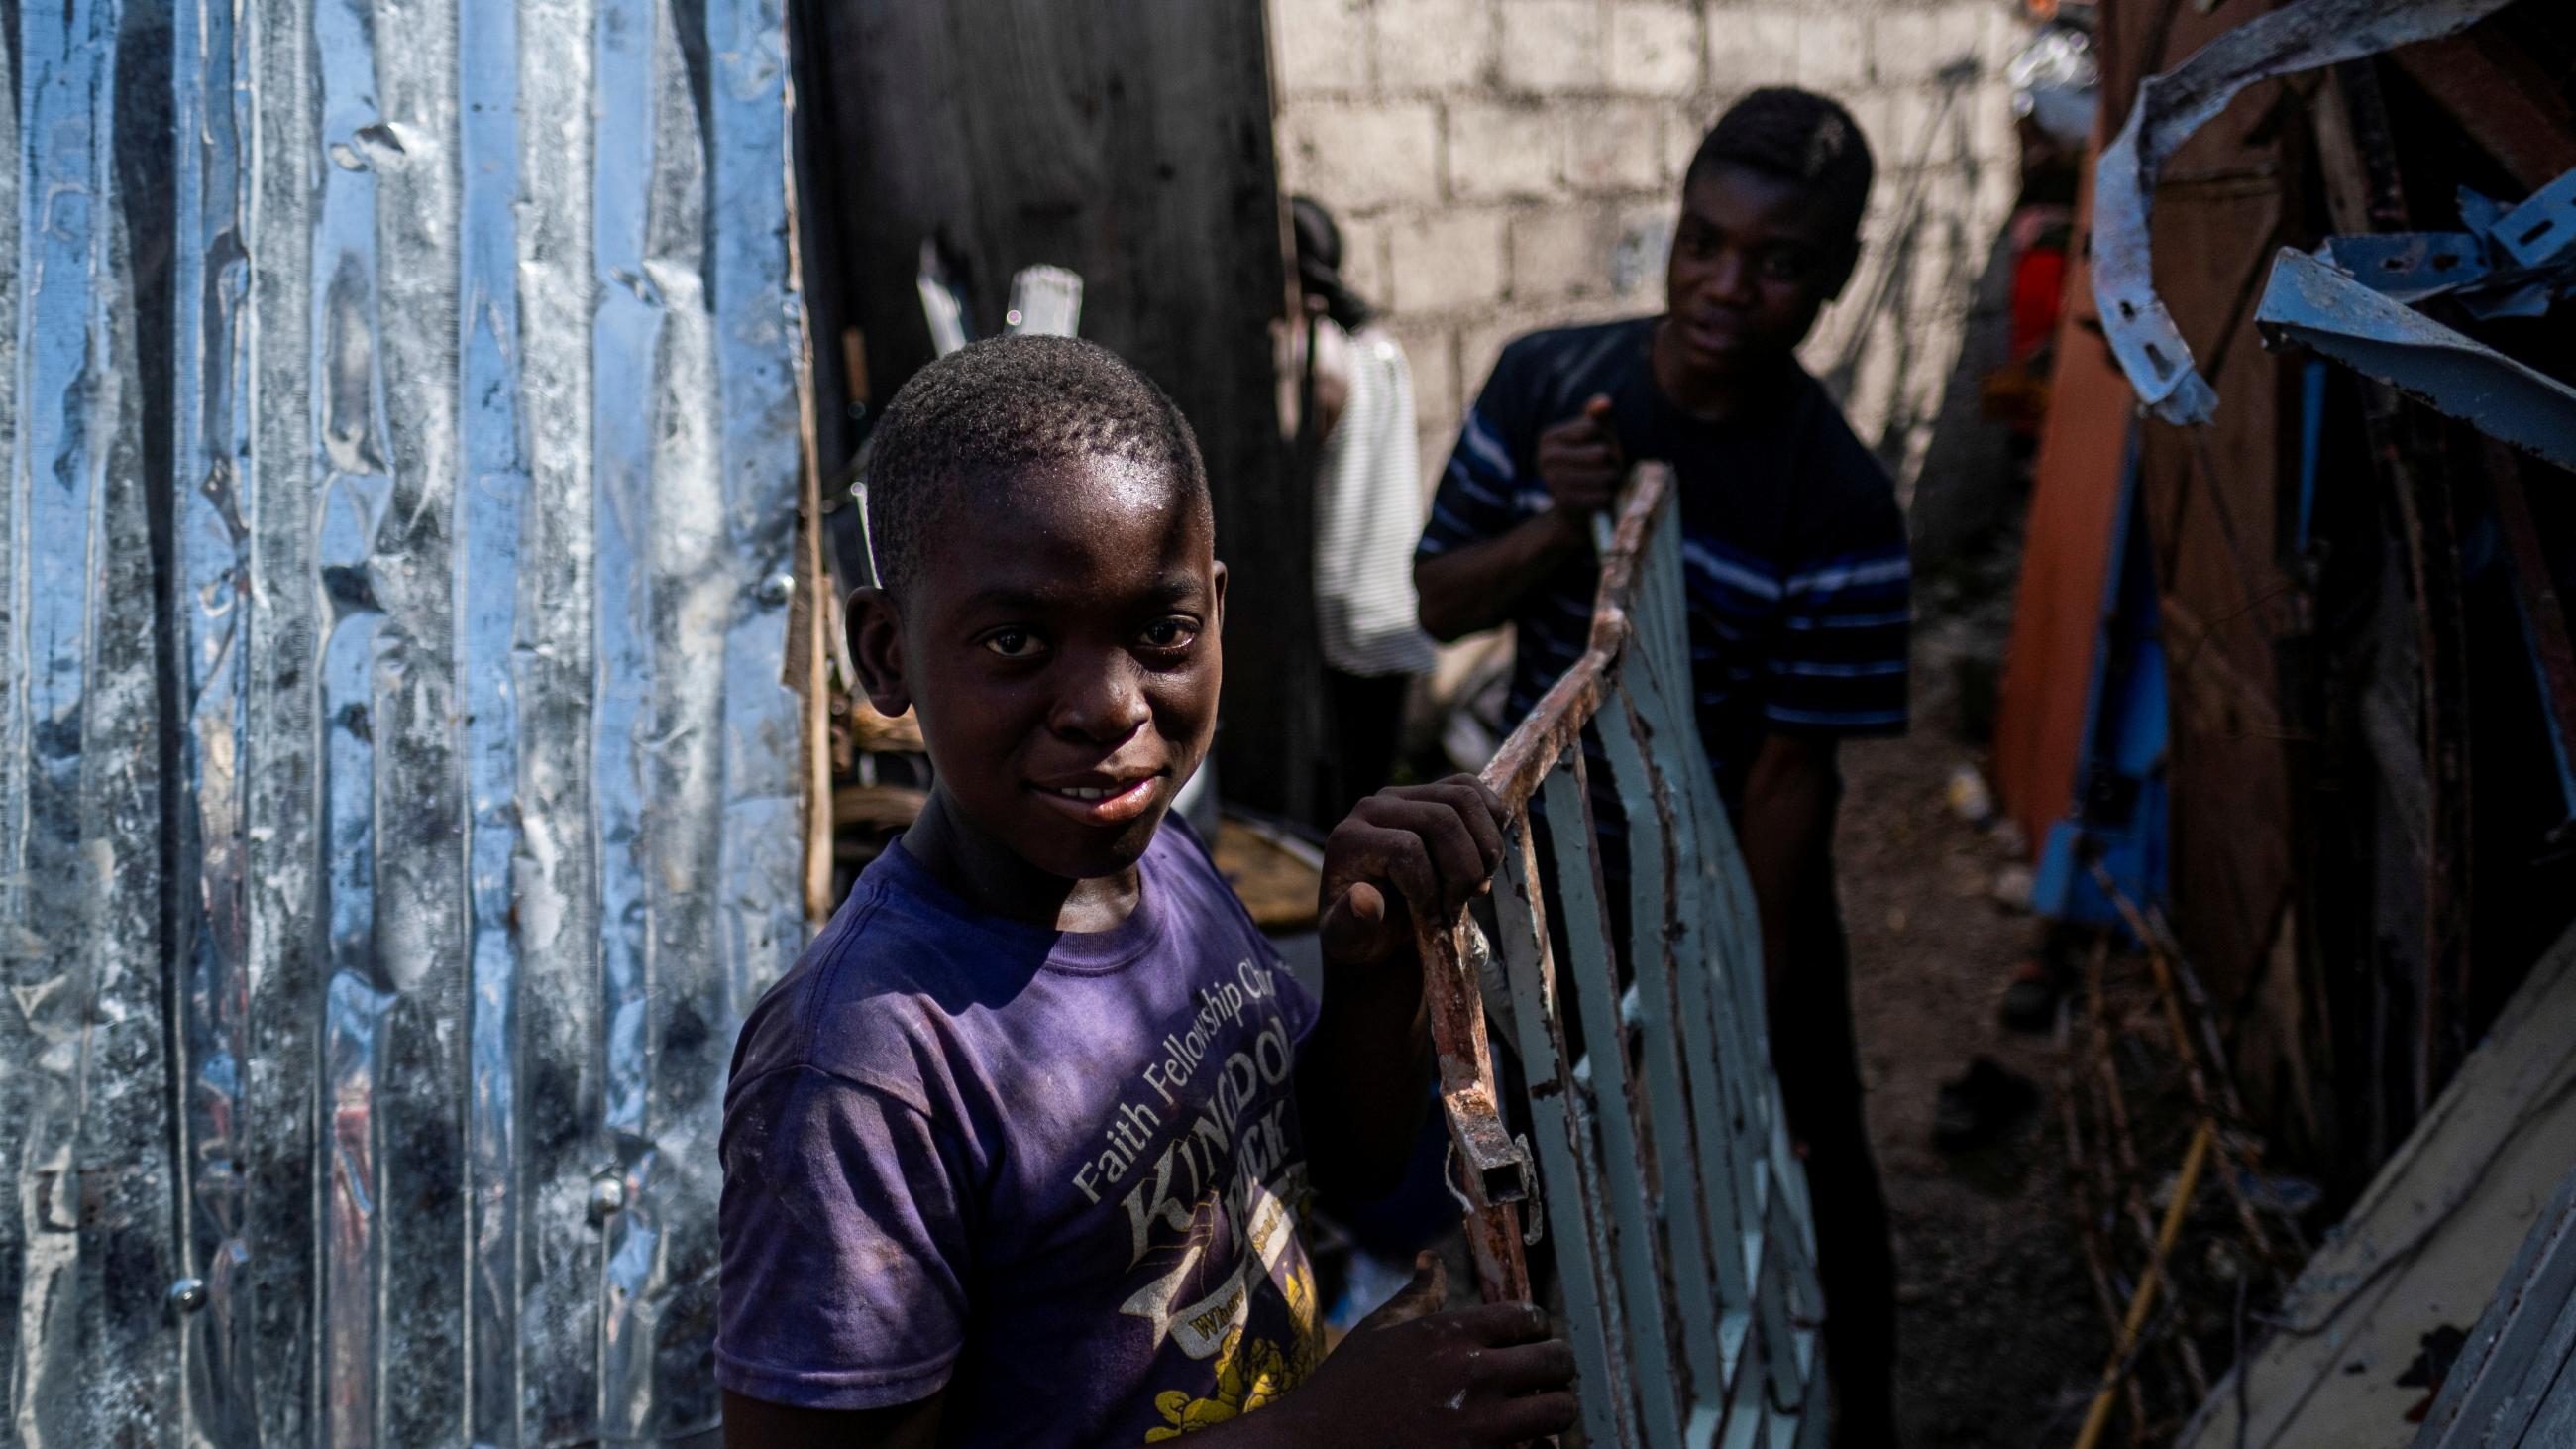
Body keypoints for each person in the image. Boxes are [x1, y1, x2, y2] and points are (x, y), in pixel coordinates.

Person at [715, 335, 1578, 1449]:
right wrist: (1321, 1435)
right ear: (885, 654)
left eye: (1161, 632)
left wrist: (1368, 975)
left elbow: (1335, 1165)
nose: (1110, 706)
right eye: (1017, 640)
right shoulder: (863, 1073)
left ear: (1215, 613)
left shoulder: (1151, 859)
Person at [1413, 88, 1909, 1443]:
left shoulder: (1843, 499)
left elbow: (1790, 777)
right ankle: (1557, 1407)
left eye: (1777, 261)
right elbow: (1442, 600)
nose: (1725, 286)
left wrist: (1730, 978)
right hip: (1540, 886)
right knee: (1520, 1180)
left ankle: (1848, 1415)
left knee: (1807, 1161)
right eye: (1705, 242)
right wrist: (1557, 526)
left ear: (1833, 279)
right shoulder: (1544, 382)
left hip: (1735, 868)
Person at [1288, 196, 1439, 804]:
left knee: (1340, 801)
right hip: (1390, 599)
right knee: (1372, 784)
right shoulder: (1378, 343)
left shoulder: (1317, 360)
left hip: (1341, 611)